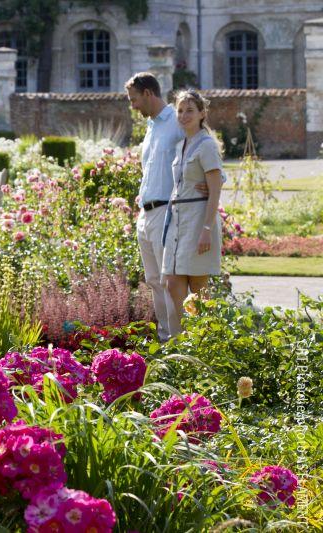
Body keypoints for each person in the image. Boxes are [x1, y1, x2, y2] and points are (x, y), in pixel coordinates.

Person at [126, 72, 208, 342]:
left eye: (134, 99)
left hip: (166, 212)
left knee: (169, 281)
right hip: (145, 213)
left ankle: (180, 342)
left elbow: (204, 145)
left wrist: (210, 183)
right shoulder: (151, 127)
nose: (133, 105)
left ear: (148, 93)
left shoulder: (176, 120)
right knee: (153, 280)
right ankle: (165, 342)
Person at [161, 90, 223, 326]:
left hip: (198, 219)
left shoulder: (206, 145)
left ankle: (202, 343)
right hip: (177, 219)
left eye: (189, 110)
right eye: (180, 110)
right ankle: (178, 341)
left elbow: (215, 188)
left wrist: (206, 228)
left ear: (201, 113)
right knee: (172, 281)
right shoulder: (180, 146)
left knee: (198, 286)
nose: (184, 115)